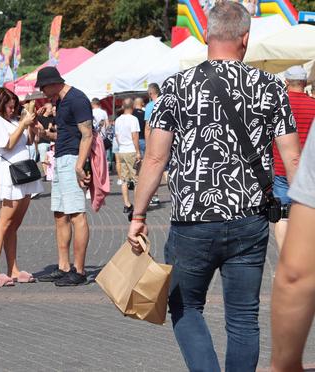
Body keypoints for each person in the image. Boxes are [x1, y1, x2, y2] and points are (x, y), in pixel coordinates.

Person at [125, 3, 301, 370]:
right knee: (243, 318)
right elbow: (293, 159)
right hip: (251, 218)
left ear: (206, 34)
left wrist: (138, 214)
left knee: (186, 307)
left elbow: (155, 159)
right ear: (246, 38)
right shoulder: (271, 87)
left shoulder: (177, 86)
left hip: (193, 221)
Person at [35, 66, 94, 286]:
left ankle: (79, 271)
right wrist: (45, 133)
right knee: (60, 214)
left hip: (72, 159)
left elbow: (87, 134)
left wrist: (80, 165)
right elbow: (67, 132)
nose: (42, 92)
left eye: (43, 87)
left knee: (77, 214)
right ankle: (63, 266)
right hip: (60, 158)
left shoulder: (77, 99)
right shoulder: (60, 101)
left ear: (54, 82)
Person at [0, 88, 43, 287]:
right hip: (10, 175)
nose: (12, 110)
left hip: (23, 173)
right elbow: (7, 144)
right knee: (4, 223)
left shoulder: (12, 120)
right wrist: (23, 124)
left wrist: (32, 127)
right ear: (0, 104)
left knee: (14, 225)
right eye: (9, 106)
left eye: (14, 106)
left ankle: (13, 268)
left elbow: (27, 141)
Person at [270, 123, 315, 372]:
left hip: (286, 170)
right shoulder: (311, 103)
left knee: (285, 217)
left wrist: (283, 365)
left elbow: (297, 274)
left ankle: (283, 249)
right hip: (296, 165)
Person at [272, 66, 315, 252]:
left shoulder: (278, 105)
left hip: (281, 168)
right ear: (305, 83)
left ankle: (284, 256)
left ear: (286, 82)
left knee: (283, 215)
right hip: (308, 172)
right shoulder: (314, 105)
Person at [114, 98, 141, 213]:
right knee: (136, 179)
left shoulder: (118, 120)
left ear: (123, 107)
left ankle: (127, 204)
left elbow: (117, 135)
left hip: (122, 150)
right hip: (131, 150)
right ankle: (138, 205)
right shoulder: (133, 119)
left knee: (124, 179)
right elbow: (135, 135)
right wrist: (138, 151)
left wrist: (121, 146)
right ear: (133, 107)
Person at [145, 83, 162, 207]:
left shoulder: (150, 105)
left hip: (155, 139)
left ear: (151, 93)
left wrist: (148, 144)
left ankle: (154, 196)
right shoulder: (166, 102)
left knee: (154, 168)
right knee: (166, 169)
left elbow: (147, 127)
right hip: (168, 138)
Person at [36, 102, 54, 178]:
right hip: (42, 142)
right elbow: (37, 128)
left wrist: (51, 128)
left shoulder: (52, 118)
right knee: (43, 159)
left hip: (51, 142)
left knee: (50, 158)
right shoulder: (39, 118)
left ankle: (50, 173)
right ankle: (46, 174)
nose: (51, 110)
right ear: (46, 109)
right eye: (50, 108)